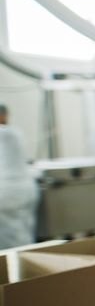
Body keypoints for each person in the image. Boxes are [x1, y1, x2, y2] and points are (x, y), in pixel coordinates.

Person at [0, 103, 38, 250]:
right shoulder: (15, 132)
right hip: (26, 190)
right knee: (24, 233)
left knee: (8, 242)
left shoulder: (5, 133)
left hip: (6, 193)